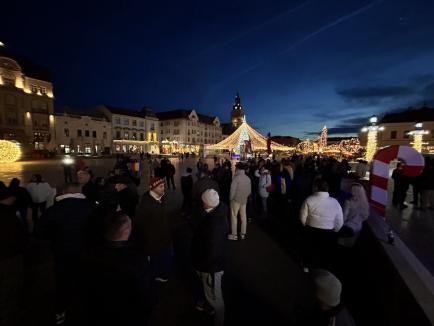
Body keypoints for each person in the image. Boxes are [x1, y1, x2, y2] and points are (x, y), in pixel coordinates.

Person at [34, 183, 96, 324]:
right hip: (86, 253)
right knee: (85, 281)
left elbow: (39, 232)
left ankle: (61, 311)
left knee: (62, 282)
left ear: (64, 191)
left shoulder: (54, 210)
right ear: (79, 192)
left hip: (62, 253)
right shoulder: (92, 207)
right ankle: (85, 310)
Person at [81, 212, 154, 326]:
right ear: (126, 231)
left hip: (99, 313)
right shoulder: (136, 261)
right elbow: (145, 294)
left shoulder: (89, 255)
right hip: (130, 315)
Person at [191, 189, 229, 326]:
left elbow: (213, 252)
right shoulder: (219, 211)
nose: (202, 204)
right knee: (211, 293)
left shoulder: (214, 226)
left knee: (215, 297)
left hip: (211, 268)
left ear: (208, 204)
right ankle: (209, 307)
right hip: (210, 264)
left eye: (203, 202)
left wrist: (203, 267)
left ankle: (219, 321)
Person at [300, 178, 343, 270]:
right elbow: (339, 220)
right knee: (325, 252)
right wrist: (335, 230)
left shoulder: (309, 199)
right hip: (328, 231)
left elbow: (302, 217)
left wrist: (307, 225)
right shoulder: (334, 202)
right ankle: (324, 271)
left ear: (315, 188)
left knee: (309, 249)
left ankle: (306, 266)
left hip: (311, 229)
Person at [134, 177, 172, 283]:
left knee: (165, 257)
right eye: (160, 187)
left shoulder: (162, 197)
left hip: (165, 236)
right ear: (152, 188)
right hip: (153, 240)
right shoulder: (145, 203)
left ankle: (164, 274)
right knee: (155, 259)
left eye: (163, 186)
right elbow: (140, 223)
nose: (163, 188)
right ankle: (156, 275)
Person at [0, 184, 26, 326]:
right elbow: (19, 237)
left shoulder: (8, 212)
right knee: (10, 290)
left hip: (9, 256)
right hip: (9, 257)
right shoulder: (8, 215)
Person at [228, 163, 251, 240]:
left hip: (235, 200)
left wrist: (231, 198)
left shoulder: (236, 178)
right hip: (244, 200)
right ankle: (243, 233)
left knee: (234, 216)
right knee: (243, 216)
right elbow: (249, 191)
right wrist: (245, 197)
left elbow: (232, 191)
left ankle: (234, 234)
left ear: (238, 169)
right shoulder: (248, 178)